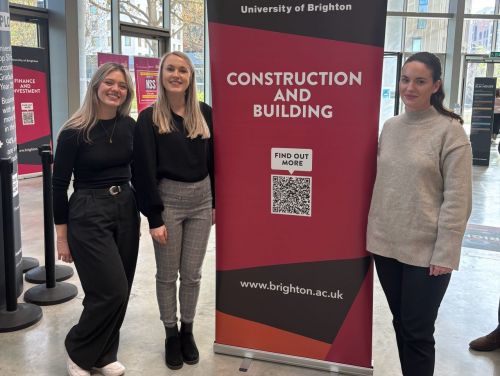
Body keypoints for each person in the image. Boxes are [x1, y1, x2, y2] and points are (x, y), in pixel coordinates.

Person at [366, 52, 472, 376]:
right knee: (402, 324)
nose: (409, 88)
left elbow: (458, 199)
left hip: (427, 252)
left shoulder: (450, 131)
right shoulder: (390, 126)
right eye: (405, 80)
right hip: (386, 245)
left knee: (418, 332)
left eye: (420, 81)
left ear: (436, 85)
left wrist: (446, 250)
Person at [52, 62, 139, 376]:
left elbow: (141, 170)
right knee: (110, 289)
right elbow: (58, 185)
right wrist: (62, 237)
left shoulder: (129, 126)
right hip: (88, 210)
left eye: (122, 85)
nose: (116, 89)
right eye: (110, 82)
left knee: (123, 287)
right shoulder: (74, 131)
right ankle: (78, 348)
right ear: (96, 86)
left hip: (126, 207)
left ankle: (103, 354)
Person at [133, 51, 214, 370]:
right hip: (167, 202)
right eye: (170, 69)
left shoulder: (205, 112)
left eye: (183, 70)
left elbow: (215, 162)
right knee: (167, 276)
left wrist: (216, 202)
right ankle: (170, 333)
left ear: (191, 77)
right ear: (161, 74)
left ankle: (187, 331)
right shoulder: (149, 117)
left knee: (192, 275)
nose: (176, 74)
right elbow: (142, 170)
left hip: (202, 200)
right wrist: (153, 217)